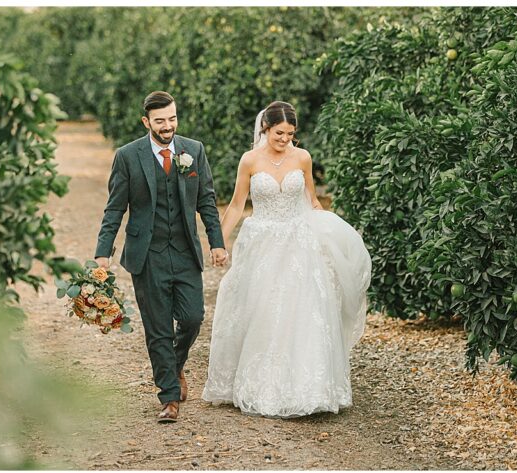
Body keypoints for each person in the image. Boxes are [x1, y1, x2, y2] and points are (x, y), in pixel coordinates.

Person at [202, 101, 372, 418]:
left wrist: (328, 233)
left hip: (298, 243)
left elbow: (312, 200)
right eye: (279, 133)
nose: (285, 139)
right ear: (265, 128)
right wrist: (219, 241)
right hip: (262, 243)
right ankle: (262, 387)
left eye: (291, 133)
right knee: (263, 311)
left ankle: (309, 388)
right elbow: (238, 205)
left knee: (303, 312)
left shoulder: (302, 157)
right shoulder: (249, 160)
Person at [94, 91, 227, 423]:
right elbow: (115, 208)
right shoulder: (127, 156)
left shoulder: (193, 150)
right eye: (160, 121)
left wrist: (217, 242)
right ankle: (169, 397)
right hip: (147, 256)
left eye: (172, 119)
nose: (168, 126)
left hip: (184, 252)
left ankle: (175, 365)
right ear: (146, 122)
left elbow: (207, 201)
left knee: (194, 317)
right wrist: (102, 253)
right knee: (157, 329)